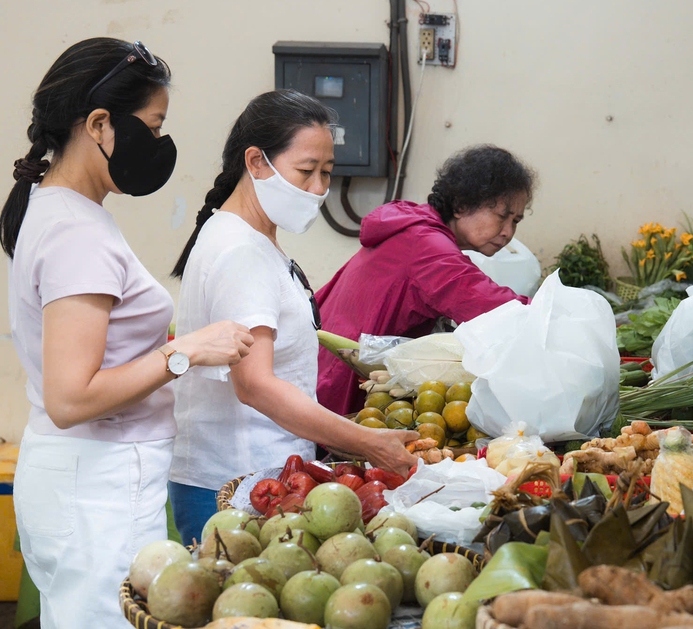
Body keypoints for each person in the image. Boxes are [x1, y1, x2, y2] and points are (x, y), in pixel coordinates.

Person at [4, 38, 253, 628]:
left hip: (81, 474)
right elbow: (72, 398)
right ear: (98, 124)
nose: (159, 142)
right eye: (153, 125)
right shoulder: (76, 232)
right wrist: (183, 352)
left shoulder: (60, 209)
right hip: (98, 480)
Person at [167, 90, 418, 544]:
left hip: (254, 473)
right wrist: (365, 442)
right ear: (257, 162)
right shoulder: (241, 250)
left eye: (327, 172)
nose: (319, 188)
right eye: (306, 170)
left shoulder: (249, 238)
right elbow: (255, 384)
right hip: (235, 483)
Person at [315, 145, 536, 415]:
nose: (508, 232)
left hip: (327, 367)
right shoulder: (427, 246)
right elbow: (491, 306)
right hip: (339, 383)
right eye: (502, 216)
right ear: (461, 205)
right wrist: (554, 313)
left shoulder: (415, 227)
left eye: (516, 221)